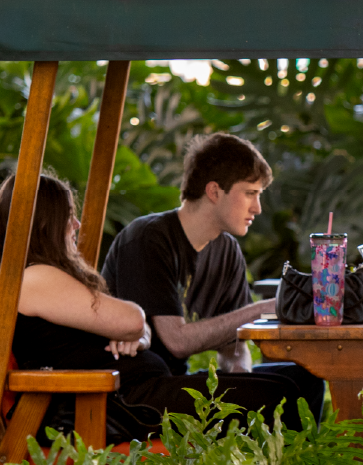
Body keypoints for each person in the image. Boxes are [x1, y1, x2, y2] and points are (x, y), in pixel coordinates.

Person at [100, 133, 325, 423]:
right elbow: (176, 341)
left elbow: (233, 345)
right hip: (133, 392)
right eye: (250, 193)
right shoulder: (148, 238)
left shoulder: (226, 248)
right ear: (214, 192)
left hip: (175, 381)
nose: (257, 208)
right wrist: (263, 308)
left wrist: (240, 371)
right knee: (277, 394)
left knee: (305, 380)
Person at [0, 173, 164, 442]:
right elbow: (133, 320)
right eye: (68, 215)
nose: (76, 224)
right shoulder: (35, 278)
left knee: (241, 388)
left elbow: (133, 326)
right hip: (107, 411)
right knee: (243, 396)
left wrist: (137, 336)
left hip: (121, 404)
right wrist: (135, 331)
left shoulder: (31, 277)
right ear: (43, 223)